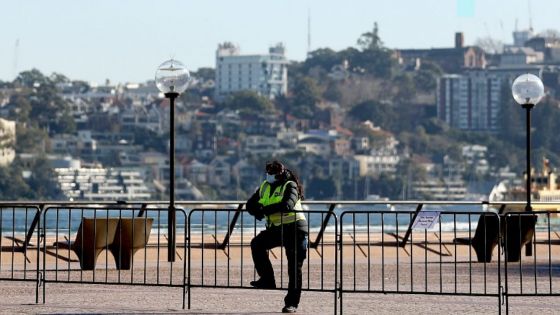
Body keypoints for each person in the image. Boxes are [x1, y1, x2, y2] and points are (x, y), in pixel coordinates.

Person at [246, 160, 308, 313]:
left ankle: (291, 303)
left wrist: (264, 210)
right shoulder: (265, 186)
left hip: (295, 229)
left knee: (294, 268)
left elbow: (287, 205)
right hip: (277, 229)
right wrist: (258, 211)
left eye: (273, 173)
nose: (270, 176)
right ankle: (267, 279)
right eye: (268, 173)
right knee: (257, 244)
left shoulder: (290, 185)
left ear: (281, 174)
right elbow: (250, 205)